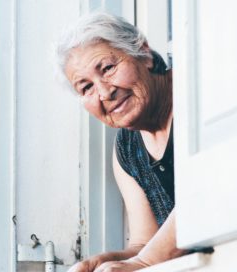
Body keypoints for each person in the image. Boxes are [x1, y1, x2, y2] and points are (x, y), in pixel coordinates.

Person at [56, 12, 185, 272]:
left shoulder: (192, 93)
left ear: (144, 53)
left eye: (107, 68)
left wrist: (144, 262)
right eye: (86, 87)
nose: (105, 92)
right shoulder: (126, 151)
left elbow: (208, 192)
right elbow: (144, 243)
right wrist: (98, 263)